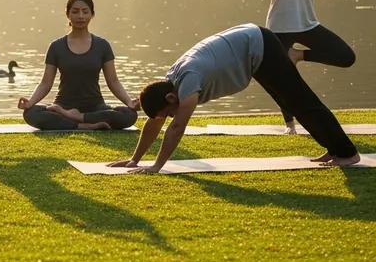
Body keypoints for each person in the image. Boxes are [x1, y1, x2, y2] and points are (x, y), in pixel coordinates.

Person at [172, 0, 376, 133]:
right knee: (279, 81)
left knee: (346, 56)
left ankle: (298, 55)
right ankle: (290, 124)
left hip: (308, 24)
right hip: (278, 30)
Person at [109, 23, 360, 174]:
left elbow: (175, 128)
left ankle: (347, 152)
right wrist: (135, 159)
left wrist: (157, 166)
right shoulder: (170, 84)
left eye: (168, 111)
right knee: (294, 102)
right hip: (251, 48)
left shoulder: (189, 82)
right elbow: (156, 122)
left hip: (260, 45)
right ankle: (334, 149)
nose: (170, 116)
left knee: (300, 100)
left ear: (170, 97)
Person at [18, 0, 139, 131]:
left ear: (92, 14)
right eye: (75, 12)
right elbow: (46, 83)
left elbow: (113, 81)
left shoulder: (102, 45)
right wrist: (30, 102)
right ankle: (83, 124)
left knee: (129, 115)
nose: (80, 16)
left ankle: (76, 118)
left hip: (94, 106)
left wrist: (129, 102)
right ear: (68, 14)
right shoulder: (56, 46)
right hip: (63, 105)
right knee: (31, 114)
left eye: (85, 11)